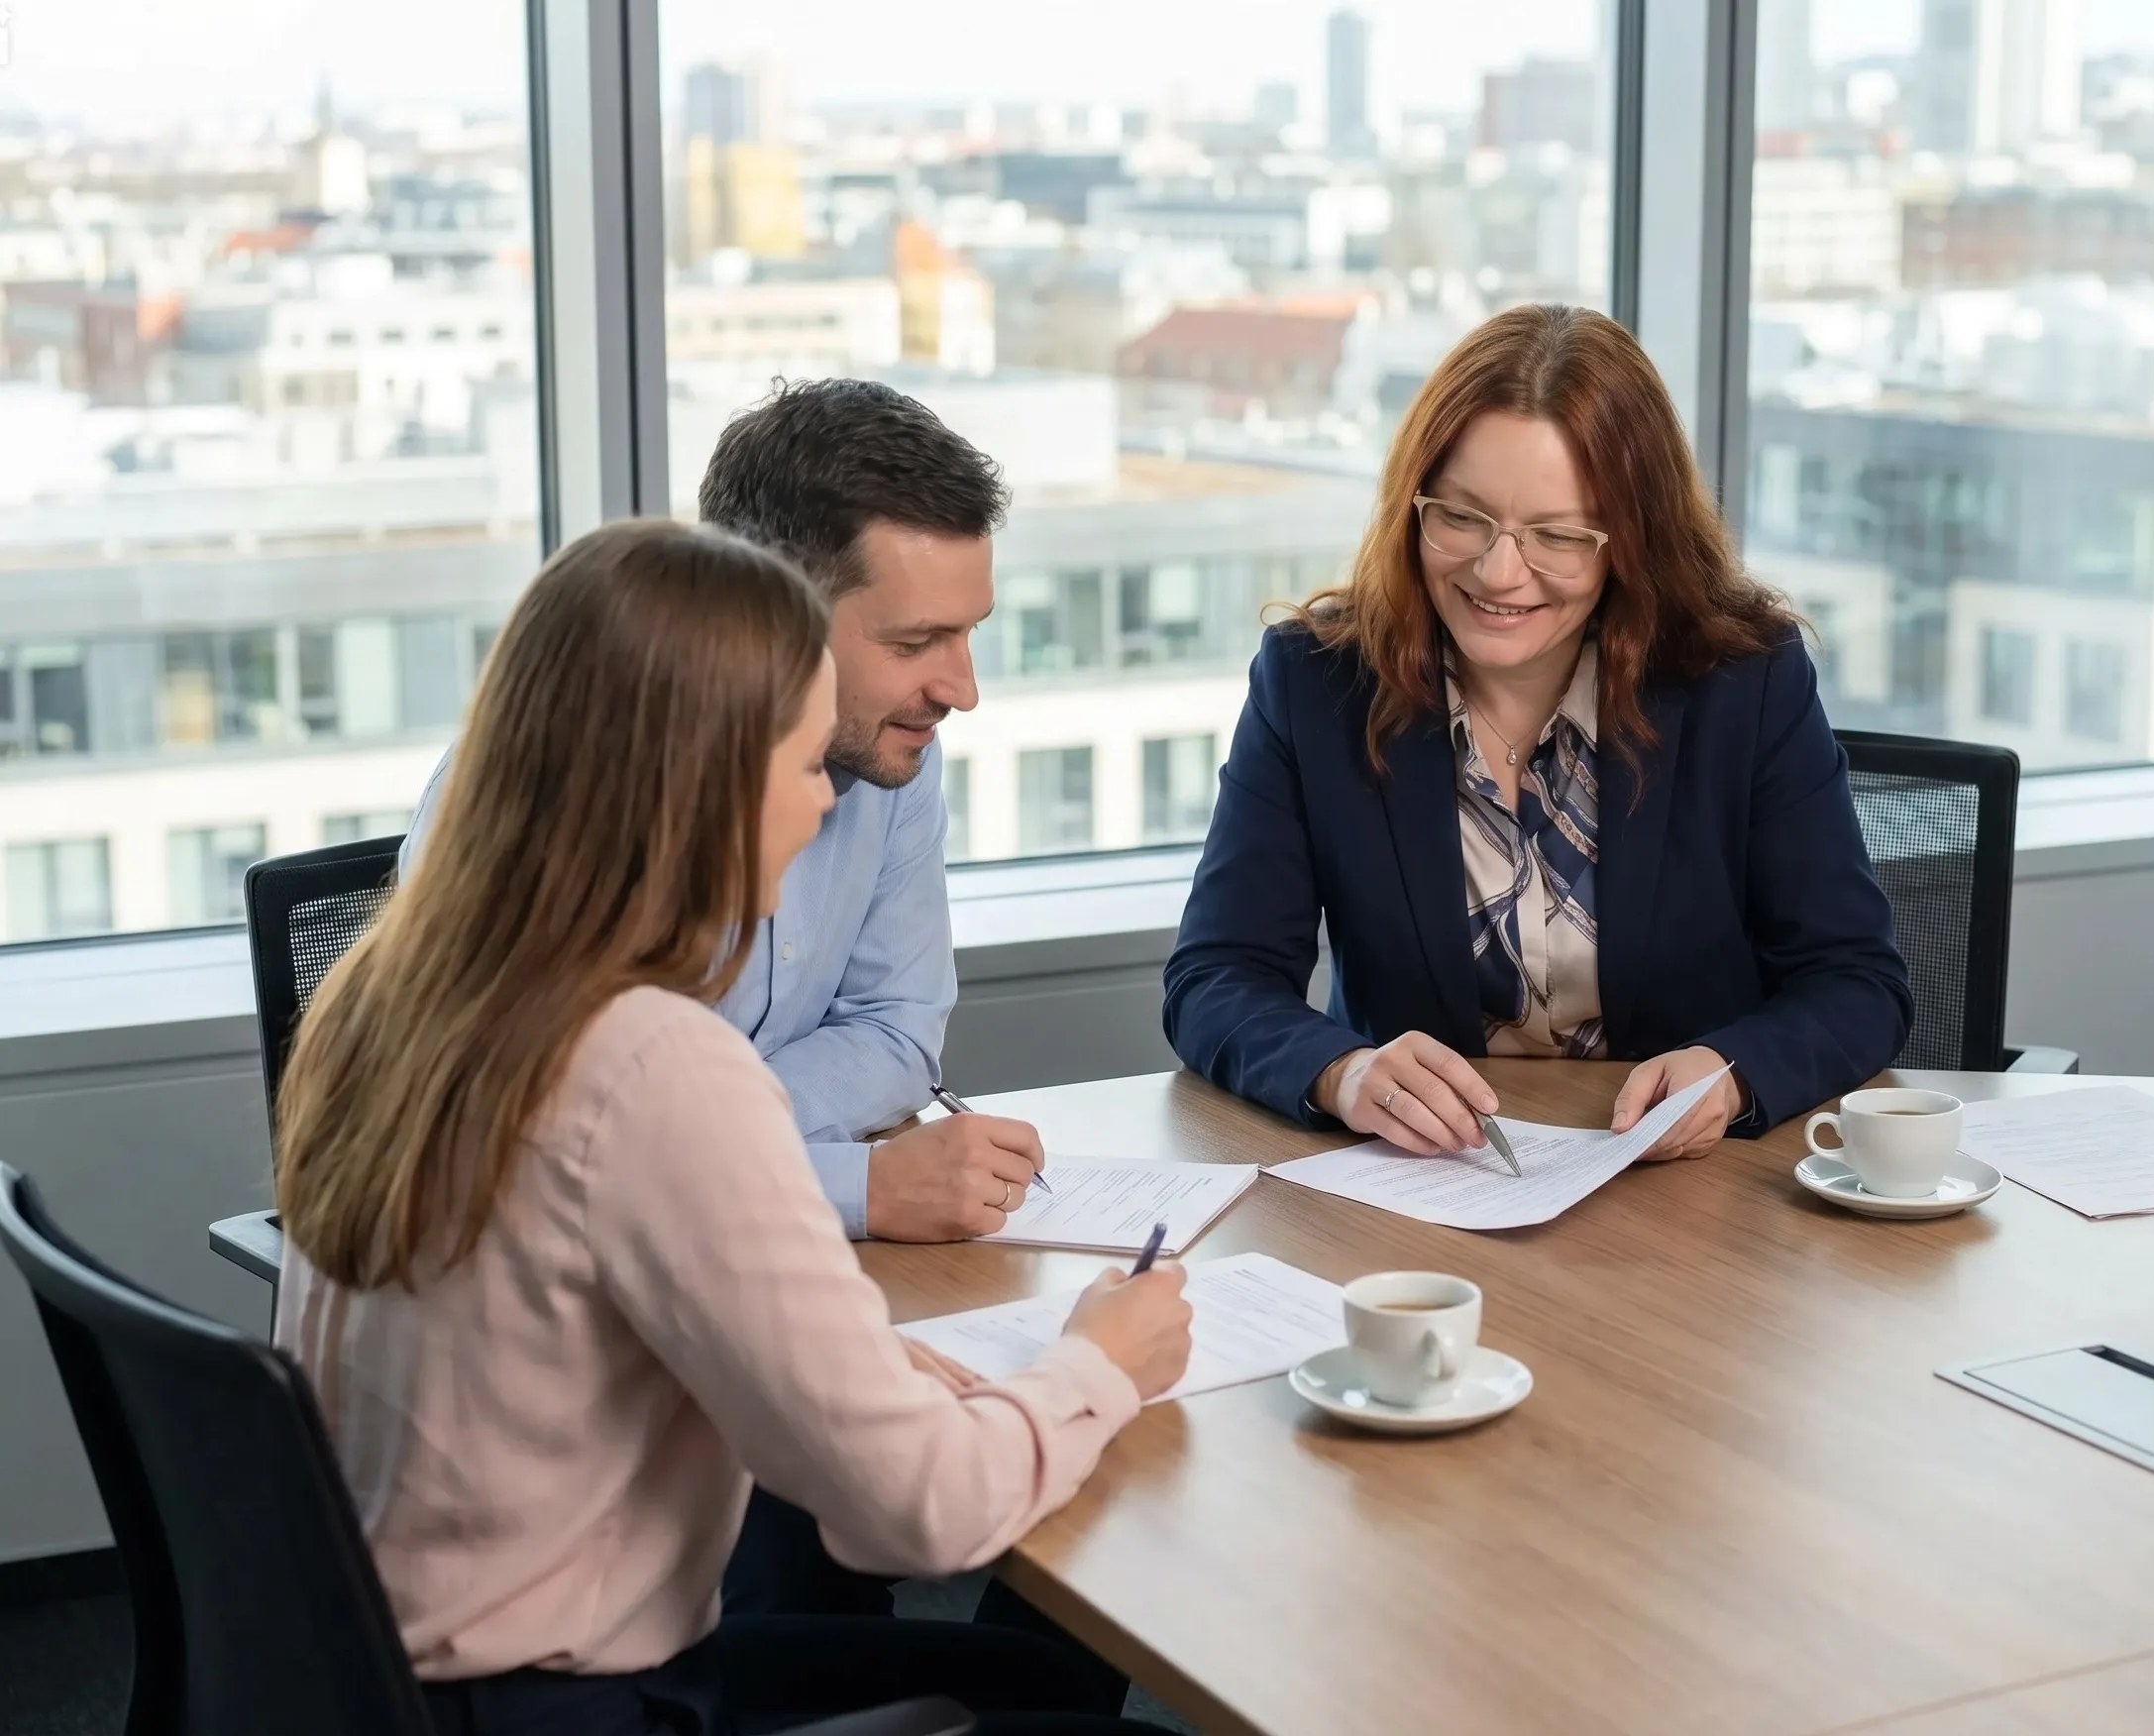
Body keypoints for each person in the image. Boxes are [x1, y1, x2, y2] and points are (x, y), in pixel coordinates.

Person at [273, 519, 1193, 1736]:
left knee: (1032, 1686)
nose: (821, 809)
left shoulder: (393, 996)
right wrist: (1100, 1364)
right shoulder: (647, 1063)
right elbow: (920, 1515)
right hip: (578, 1707)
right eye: (805, 764)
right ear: (694, 789)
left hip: (393, 1682)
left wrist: (871, 1370)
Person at [1162, 304, 1910, 1159]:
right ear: (1412, 506)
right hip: (1418, 1180)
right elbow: (1215, 979)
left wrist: (1732, 1073)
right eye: (1461, 518)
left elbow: (1858, 983)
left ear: (1633, 540)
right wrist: (1344, 1073)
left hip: (1686, 1186)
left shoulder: (1744, 682)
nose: (1497, 571)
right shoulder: (1316, 681)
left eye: (1556, 535)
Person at [403, 378, 1039, 1250]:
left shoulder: (892, 743)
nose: (961, 691)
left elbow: (896, 1032)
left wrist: (700, 1143)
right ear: (770, 612)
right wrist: (847, 1186)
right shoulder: (552, 793)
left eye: (968, 633)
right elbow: (533, 1157)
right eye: (913, 642)